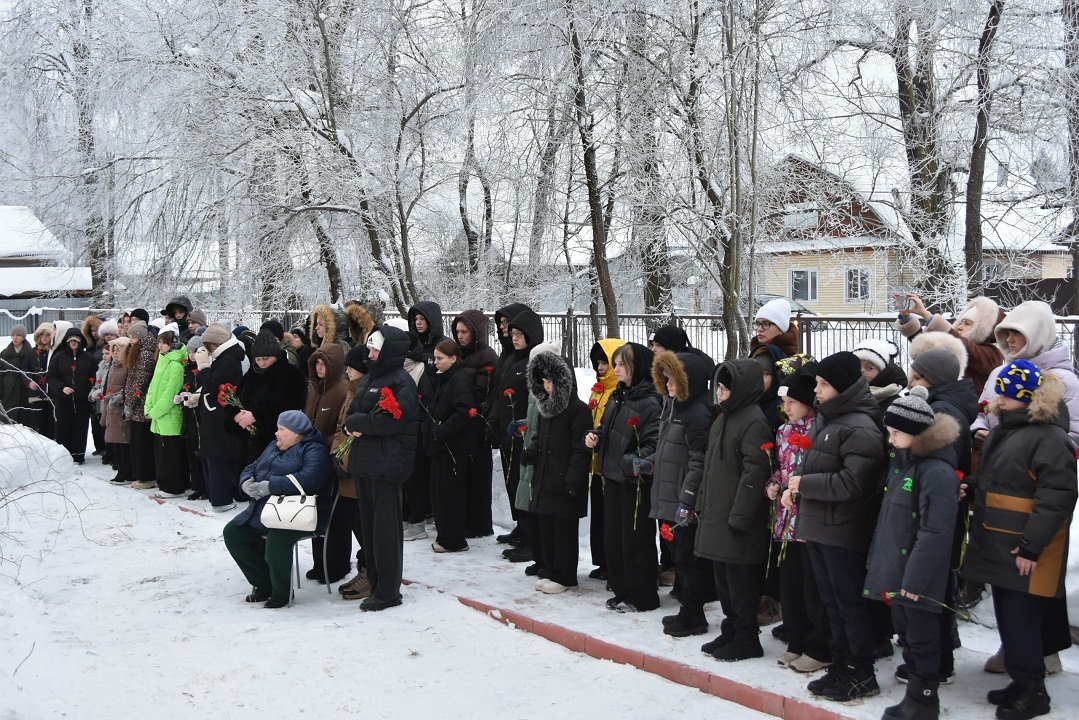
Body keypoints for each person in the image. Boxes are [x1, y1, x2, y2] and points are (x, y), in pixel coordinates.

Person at [963, 361, 1077, 720]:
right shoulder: (1006, 430)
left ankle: (1033, 691)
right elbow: (1003, 480)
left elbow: (1056, 496)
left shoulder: (1049, 438)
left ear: (1024, 397)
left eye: (1005, 392)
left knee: (1022, 621)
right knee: (1008, 618)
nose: (998, 397)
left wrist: (1032, 546)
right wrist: (974, 487)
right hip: (1000, 543)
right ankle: (1020, 680)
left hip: (1026, 550)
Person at [783, 351, 885, 701]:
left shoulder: (860, 426)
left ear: (842, 388)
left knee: (848, 606)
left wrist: (804, 486)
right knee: (833, 605)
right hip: (819, 526)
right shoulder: (828, 420)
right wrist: (796, 486)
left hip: (843, 530)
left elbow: (852, 484)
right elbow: (816, 468)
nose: (817, 391)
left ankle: (861, 672)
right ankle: (841, 667)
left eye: (824, 385)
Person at [864, 386, 961, 720]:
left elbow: (935, 532)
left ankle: (923, 701)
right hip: (901, 571)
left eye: (894, 433)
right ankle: (914, 698)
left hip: (918, 577)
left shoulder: (936, 472)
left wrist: (916, 579)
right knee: (908, 634)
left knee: (922, 639)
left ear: (915, 433)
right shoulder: (906, 464)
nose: (890, 440)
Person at [695, 359, 772, 661]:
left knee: (740, 583)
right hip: (717, 515)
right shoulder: (722, 419)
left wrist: (740, 516)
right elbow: (711, 468)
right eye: (719, 388)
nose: (720, 394)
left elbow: (755, 473)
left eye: (726, 389)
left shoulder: (753, 422)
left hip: (737, 520)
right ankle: (732, 630)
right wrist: (701, 503)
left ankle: (747, 637)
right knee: (724, 581)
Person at [343, 325, 420, 611]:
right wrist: (350, 425)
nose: (370, 353)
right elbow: (351, 414)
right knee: (370, 530)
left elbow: (394, 421)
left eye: (375, 349)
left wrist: (358, 423)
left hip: (388, 465)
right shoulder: (369, 380)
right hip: (365, 463)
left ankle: (388, 591)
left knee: (386, 532)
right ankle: (375, 583)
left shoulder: (401, 382)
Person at [223, 410, 333, 609]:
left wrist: (270, 485)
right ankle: (263, 584)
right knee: (233, 533)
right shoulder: (274, 446)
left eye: (282, 429)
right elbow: (253, 465)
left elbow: (311, 479)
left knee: (276, 541)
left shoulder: (314, 450)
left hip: (299, 514)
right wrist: (246, 481)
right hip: (267, 510)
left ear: (297, 434)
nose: (276, 433)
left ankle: (281, 594)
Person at [587, 342, 662, 613]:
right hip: (614, 476)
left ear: (636, 367)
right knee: (615, 538)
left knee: (635, 540)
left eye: (621, 365)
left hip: (634, 481)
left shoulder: (650, 401)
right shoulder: (619, 396)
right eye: (615, 364)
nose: (615, 369)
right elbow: (607, 426)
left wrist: (631, 462)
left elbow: (653, 445)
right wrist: (597, 434)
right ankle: (622, 590)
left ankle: (641, 595)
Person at [767, 364, 832, 674]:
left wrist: (799, 489)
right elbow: (782, 467)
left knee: (812, 587)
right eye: (784, 401)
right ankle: (795, 640)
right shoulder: (783, 431)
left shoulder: (820, 429)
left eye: (792, 401)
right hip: (785, 521)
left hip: (809, 521)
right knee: (789, 584)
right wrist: (775, 483)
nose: (786, 407)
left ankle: (817, 645)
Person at [646, 349, 716, 637]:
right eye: (666, 377)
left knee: (688, 560)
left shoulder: (697, 413)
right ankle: (687, 610)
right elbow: (667, 449)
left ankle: (694, 615)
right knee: (680, 557)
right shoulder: (673, 406)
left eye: (674, 377)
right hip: (669, 496)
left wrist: (687, 500)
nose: (668, 382)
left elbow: (697, 461)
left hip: (683, 500)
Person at [522, 350, 592, 593]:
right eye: (543, 382)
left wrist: (573, 480)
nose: (547, 386)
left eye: (551, 381)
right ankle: (550, 569)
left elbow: (580, 449)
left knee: (564, 531)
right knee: (548, 527)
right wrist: (531, 452)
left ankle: (565, 575)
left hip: (565, 481)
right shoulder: (547, 409)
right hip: (546, 477)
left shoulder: (578, 411)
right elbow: (539, 437)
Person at [496, 308, 544, 562]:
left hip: (525, 433)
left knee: (525, 484)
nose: (513, 338)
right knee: (513, 482)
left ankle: (529, 535)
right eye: (512, 333)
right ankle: (521, 525)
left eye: (519, 334)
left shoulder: (533, 363)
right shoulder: (512, 359)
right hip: (510, 433)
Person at [301, 342, 350, 583]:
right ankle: (319, 562)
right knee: (315, 511)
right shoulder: (313, 388)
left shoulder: (341, 390)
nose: (319, 368)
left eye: (324, 364)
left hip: (329, 455)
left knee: (336, 515)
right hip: (312, 456)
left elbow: (342, 427)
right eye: (317, 363)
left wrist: (325, 441)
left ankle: (336, 565)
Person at [421, 339, 475, 553]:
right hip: (442, 447)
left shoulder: (458, 380)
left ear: (453, 359)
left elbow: (464, 413)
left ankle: (454, 540)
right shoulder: (446, 378)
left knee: (449, 495)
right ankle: (446, 536)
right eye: (435, 358)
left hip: (451, 448)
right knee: (439, 493)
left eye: (440, 358)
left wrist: (439, 432)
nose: (436, 363)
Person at [450, 310, 498, 538]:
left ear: (475, 332)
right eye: (457, 331)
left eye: (464, 332)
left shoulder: (486, 356)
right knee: (464, 477)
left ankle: (479, 523)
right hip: (462, 421)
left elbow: (482, 392)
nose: (460, 336)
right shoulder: (461, 354)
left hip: (476, 423)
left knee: (478, 475)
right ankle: (467, 521)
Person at [896, 293, 1003, 394]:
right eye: (961, 322)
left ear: (982, 328)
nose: (960, 327)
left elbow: (966, 348)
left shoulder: (992, 354)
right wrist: (906, 317)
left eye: (967, 324)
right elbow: (926, 346)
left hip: (969, 409)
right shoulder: (957, 345)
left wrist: (926, 315)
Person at [488, 302, 532, 547]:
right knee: (511, 479)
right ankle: (520, 524)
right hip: (505, 425)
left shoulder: (528, 357)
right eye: (502, 325)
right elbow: (498, 390)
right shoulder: (507, 355)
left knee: (522, 479)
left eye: (509, 324)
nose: (504, 329)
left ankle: (528, 528)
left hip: (521, 428)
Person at [584, 338, 626, 581]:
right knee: (599, 517)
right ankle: (601, 561)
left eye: (605, 363)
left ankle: (613, 564)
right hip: (596, 463)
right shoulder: (598, 389)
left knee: (611, 520)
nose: (600, 368)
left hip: (609, 464)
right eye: (597, 363)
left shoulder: (616, 392)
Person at [234, 329, 308, 464]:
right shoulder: (250, 375)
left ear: (276, 356)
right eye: (258, 359)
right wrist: (236, 415)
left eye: (266, 359)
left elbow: (291, 408)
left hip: (274, 442)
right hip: (246, 443)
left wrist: (257, 416)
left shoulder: (290, 375)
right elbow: (236, 399)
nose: (262, 363)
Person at [332, 344, 370, 600]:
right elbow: (340, 427)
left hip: (356, 471)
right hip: (344, 466)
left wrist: (342, 458)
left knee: (364, 526)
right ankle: (364, 569)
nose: (347, 371)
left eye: (352, 367)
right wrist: (336, 453)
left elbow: (357, 434)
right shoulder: (351, 390)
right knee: (357, 525)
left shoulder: (364, 393)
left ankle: (368, 573)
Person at [195, 323, 246, 512]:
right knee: (211, 457)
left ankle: (221, 500)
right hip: (214, 416)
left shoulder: (228, 361)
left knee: (218, 458)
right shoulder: (226, 358)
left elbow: (215, 386)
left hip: (220, 418)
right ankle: (217, 497)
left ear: (213, 345)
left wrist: (203, 367)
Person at [143, 328, 190, 497]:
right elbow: (153, 387)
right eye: (159, 342)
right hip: (159, 416)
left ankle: (174, 486)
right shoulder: (162, 361)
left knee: (171, 455)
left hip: (168, 417)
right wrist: (147, 407)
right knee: (162, 454)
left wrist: (154, 412)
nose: (160, 346)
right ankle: (165, 485)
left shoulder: (175, 365)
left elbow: (170, 394)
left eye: (163, 342)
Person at [46, 327, 97, 464]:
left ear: (81, 342)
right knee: (63, 427)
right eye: (71, 340)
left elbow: (94, 377)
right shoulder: (58, 358)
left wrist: (86, 388)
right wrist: (62, 388)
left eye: (76, 340)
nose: (73, 342)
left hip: (81, 401)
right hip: (63, 400)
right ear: (66, 342)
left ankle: (78, 455)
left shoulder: (89, 359)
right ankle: (64, 456)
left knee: (80, 427)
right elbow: (51, 377)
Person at [124, 322, 159, 489]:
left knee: (143, 443)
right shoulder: (137, 350)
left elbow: (140, 380)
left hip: (142, 403)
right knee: (137, 442)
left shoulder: (145, 353)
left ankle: (147, 476)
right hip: (136, 402)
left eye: (132, 337)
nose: (130, 340)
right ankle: (140, 474)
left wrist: (130, 402)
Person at [103, 337, 133, 484]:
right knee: (116, 442)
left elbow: (127, 387)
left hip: (120, 409)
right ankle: (121, 470)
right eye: (113, 350)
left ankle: (126, 472)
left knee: (123, 441)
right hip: (111, 408)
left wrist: (117, 396)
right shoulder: (113, 366)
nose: (115, 353)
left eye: (118, 350)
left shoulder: (127, 367)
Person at [0, 324, 40, 429]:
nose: (15, 337)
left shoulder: (30, 353)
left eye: (18, 335)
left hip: (25, 390)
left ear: (23, 337)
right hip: (8, 391)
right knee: (9, 421)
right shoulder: (4, 353)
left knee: (25, 421)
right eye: (13, 335)